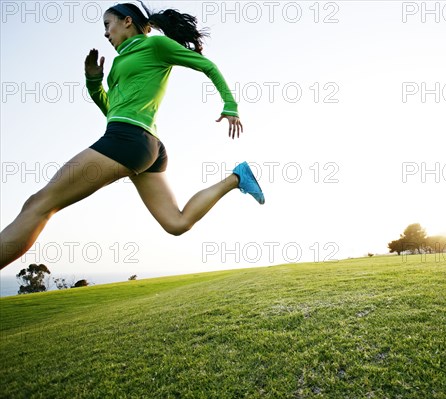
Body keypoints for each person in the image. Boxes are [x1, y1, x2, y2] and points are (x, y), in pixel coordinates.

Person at [0, 2, 264, 270]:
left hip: (129, 138)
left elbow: (207, 66)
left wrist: (230, 106)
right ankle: (237, 177)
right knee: (177, 223)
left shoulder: (156, 46)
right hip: (143, 145)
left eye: (107, 24)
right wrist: (94, 81)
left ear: (127, 21)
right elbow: (112, 111)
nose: (105, 33)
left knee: (39, 204)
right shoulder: (116, 65)